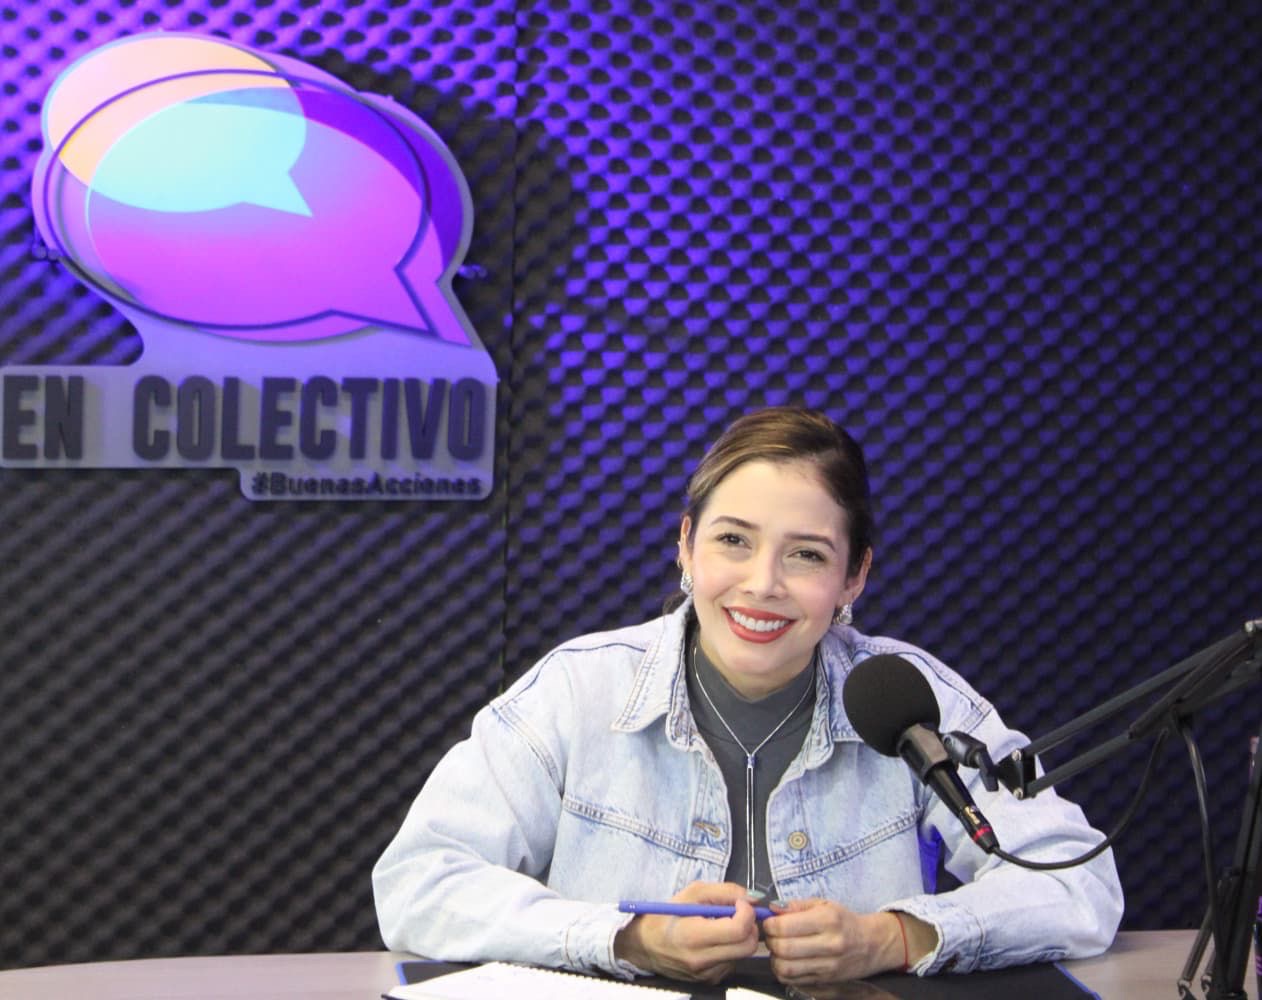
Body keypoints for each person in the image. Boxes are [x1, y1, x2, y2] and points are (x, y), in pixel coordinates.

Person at [373, 407, 1123, 996]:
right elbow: (419, 882)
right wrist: (629, 939)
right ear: (686, 545)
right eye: (733, 540)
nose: (763, 583)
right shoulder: (578, 691)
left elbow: (1077, 880)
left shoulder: (911, 697)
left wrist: (893, 937)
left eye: (806, 555)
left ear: (855, 576)